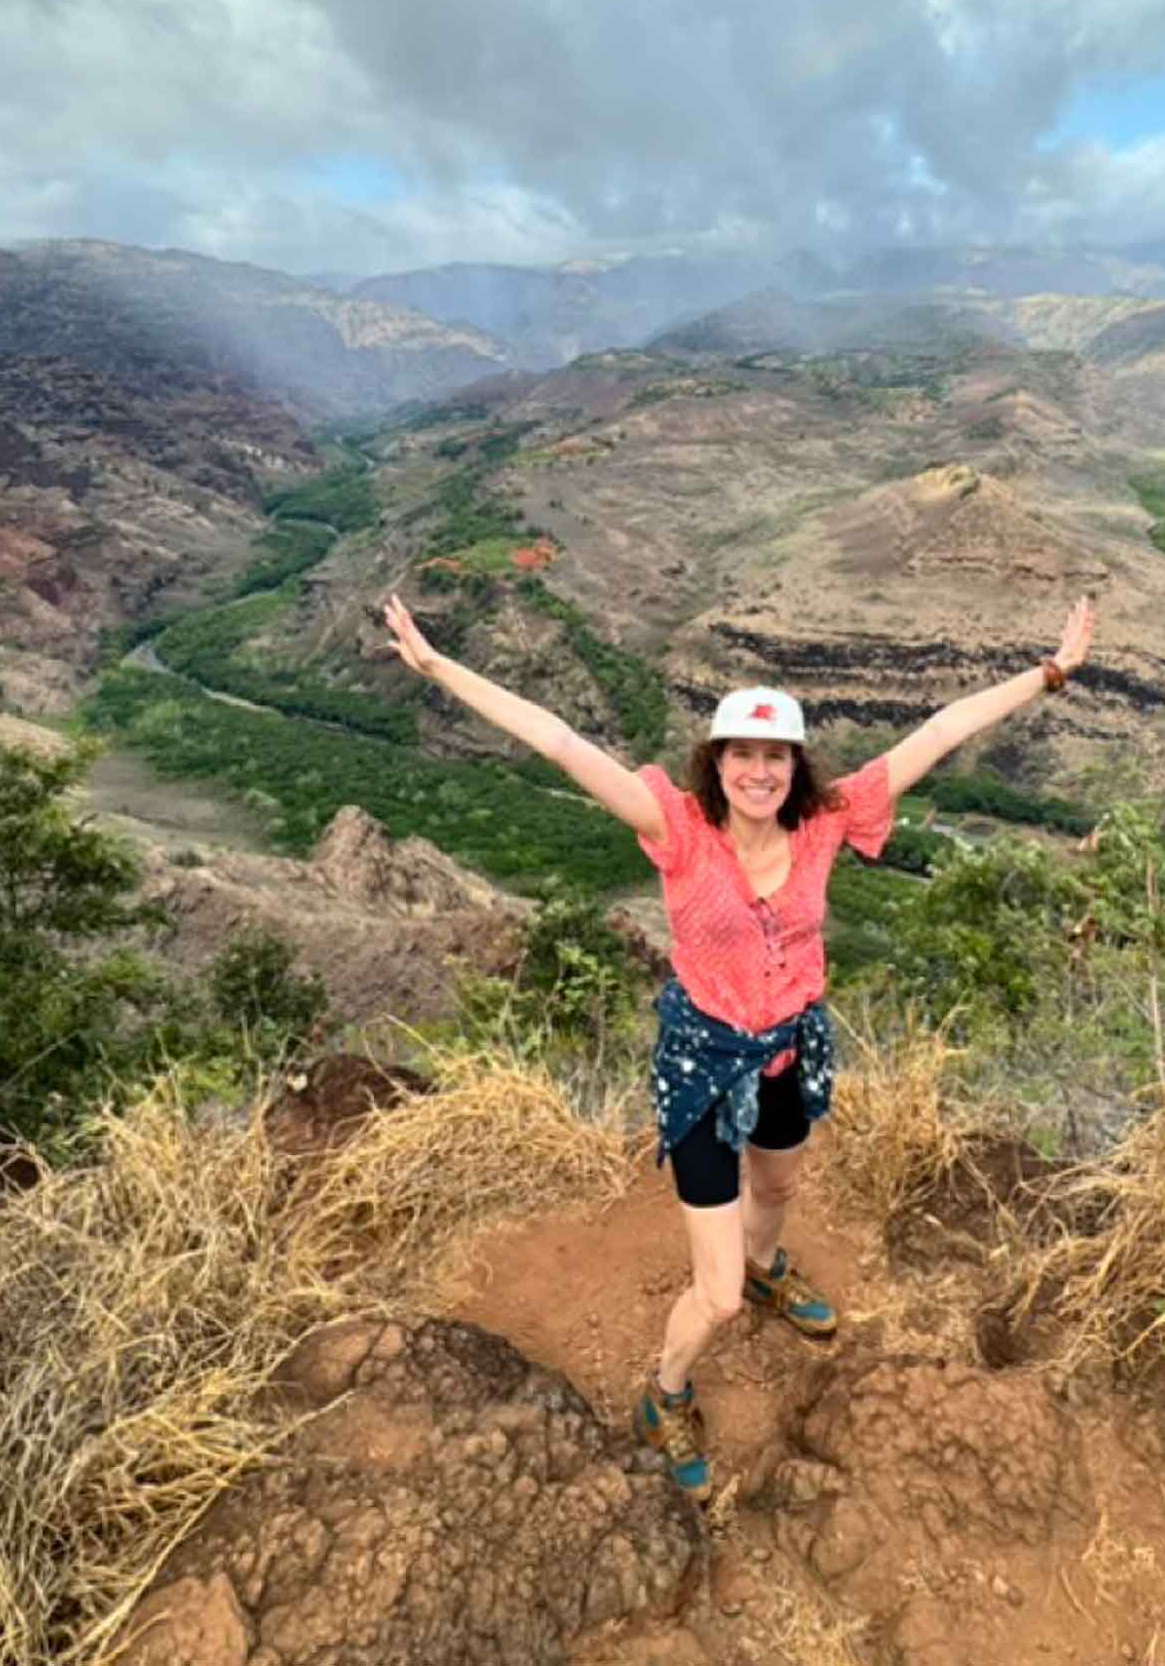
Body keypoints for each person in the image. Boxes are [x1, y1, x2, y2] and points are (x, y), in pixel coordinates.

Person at [380, 590, 1096, 1501]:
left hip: (791, 1044)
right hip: (701, 1065)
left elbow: (942, 728)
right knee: (709, 1294)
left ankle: (766, 1268)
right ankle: (665, 1390)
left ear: (794, 767)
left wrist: (1049, 673)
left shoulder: (830, 818)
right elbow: (558, 739)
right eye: (742, 753)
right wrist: (440, 667)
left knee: (782, 1183)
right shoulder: (675, 830)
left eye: (775, 755)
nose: (758, 770)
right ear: (716, 763)